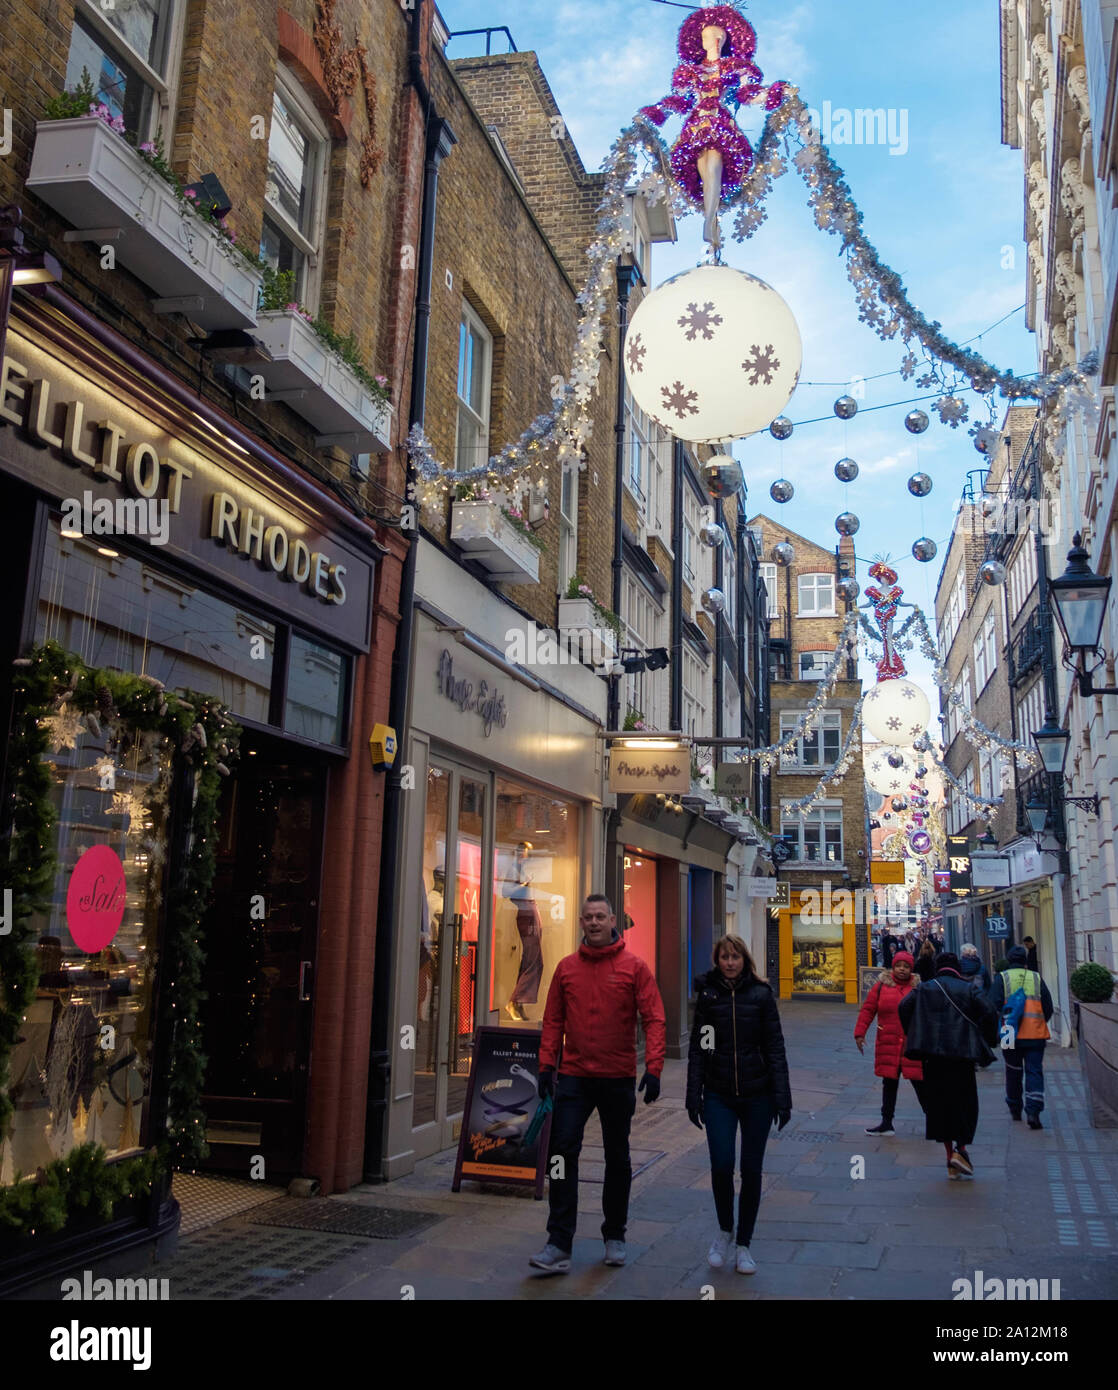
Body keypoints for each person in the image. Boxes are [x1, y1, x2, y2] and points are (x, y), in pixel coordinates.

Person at [528, 895, 666, 1274]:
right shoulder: (566, 969)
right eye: (587, 917)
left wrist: (653, 1068)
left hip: (617, 1077)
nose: (593, 922)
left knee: (617, 1157)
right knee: (560, 1154)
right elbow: (553, 1019)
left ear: (612, 920)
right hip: (573, 1075)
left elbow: (654, 1018)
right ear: (581, 921)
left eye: (600, 917)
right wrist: (545, 1066)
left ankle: (615, 1235)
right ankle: (558, 1242)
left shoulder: (634, 968)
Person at [639, 7, 786, 250]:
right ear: (701, 41)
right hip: (697, 124)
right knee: (704, 168)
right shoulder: (690, 72)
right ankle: (712, 217)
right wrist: (655, 112)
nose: (715, 40)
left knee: (715, 164)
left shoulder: (734, 67)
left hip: (720, 122)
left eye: (720, 36)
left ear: (727, 39)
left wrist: (774, 93)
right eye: (710, 36)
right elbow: (680, 101)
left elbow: (747, 94)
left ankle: (709, 218)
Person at [686, 934, 791, 1274]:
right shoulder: (709, 995)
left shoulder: (761, 995)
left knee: (751, 1170)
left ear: (744, 959)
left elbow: (774, 1047)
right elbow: (700, 1047)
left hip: (757, 1094)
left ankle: (744, 1243)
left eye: (735, 957)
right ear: (717, 960)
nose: (730, 963)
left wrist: (782, 1097)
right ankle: (724, 1231)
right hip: (718, 1094)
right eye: (724, 957)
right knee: (721, 1165)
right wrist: (693, 1094)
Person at [898, 952, 998, 1180]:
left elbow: (904, 1006)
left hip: (932, 1057)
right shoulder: (968, 988)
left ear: (937, 968)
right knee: (965, 1104)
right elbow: (990, 1011)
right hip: (962, 1057)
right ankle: (960, 1150)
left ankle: (949, 1158)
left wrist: (915, 1032)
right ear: (957, 968)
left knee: (939, 1107)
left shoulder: (924, 988)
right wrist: (988, 1038)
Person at [854, 950, 924, 1135]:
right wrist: (860, 1033)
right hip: (889, 1041)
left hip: (912, 1044)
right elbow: (868, 1009)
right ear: (893, 967)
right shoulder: (880, 986)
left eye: (906, 966)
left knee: (920, 1084)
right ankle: (886, 1123)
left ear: (911, 969)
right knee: (889, 1083)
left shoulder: (919, 988)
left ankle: (934, 1120)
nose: (902, 969)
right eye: (899, 966)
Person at [990, 944, 1053, 1129]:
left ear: (1008, 960)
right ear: (1025, 961)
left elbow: (992, 1004)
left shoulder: (1002, 978)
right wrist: (1041, 1020)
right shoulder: (1036, 977)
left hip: (1010, 1033)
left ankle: (1015, 1108)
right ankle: (1033, 1112)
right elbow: (1047, 1006)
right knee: (1034, 1070)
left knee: (1012, 1070)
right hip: (1034, 1031)